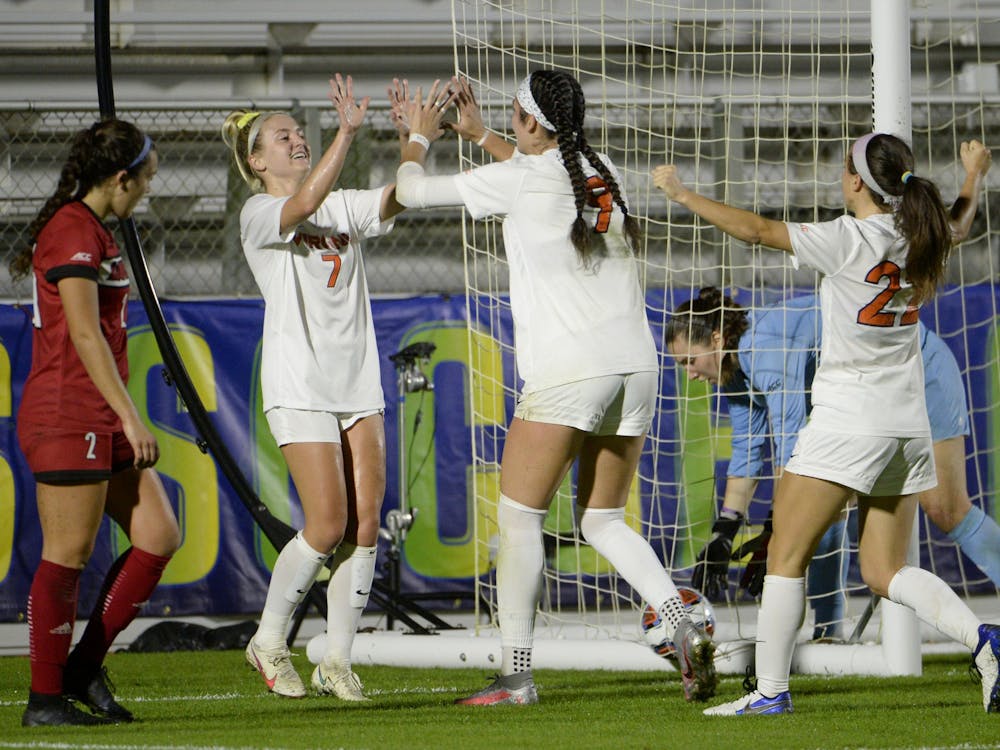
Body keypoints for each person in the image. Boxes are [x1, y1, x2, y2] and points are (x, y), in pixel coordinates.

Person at [391, 71, 717, 705]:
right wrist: (484, 133)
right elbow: (539, 173)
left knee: (519, 520)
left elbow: (410, 191)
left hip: (571, 370)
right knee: (601, 518)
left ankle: (516, 675)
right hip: (636, 367)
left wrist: (417, 137)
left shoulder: (522, 177)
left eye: (514, 114)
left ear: (533, 123)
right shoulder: (600, 168)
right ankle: (679, 620)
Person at [653, 133, 1000, 715]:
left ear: (858, 182)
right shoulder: (920, 233)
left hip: (852, 416)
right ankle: (984, 640)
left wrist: (683, 193)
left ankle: (770, 692)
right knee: (885, 569)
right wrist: (972, 178)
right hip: (905, 422)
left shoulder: (846, 239)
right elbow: (959, 225)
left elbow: (759, 231)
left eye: (844, 168)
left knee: (786, 553)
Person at [669, 285, 1000, 638]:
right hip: (872, 394)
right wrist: (725, 530)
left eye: (690, 359)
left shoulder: (765, 346)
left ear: (717, 338)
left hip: (917, 367)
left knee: (945, 508)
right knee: (827, 502)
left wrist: (773, 530)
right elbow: (746, 451)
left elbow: (790, 446)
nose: (689, 373)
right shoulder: (734, 370)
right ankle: (828, 633)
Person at [221, 74, 405, 701]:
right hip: (299, 383)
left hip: (357, 380)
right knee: (326, 523)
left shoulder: (338, 202)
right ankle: (269, 641)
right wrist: (347, 132)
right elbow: (298, 209)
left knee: (365, 524)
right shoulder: (258, 213)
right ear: (257, 160)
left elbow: (395, 199)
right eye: (283, 136)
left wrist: (416, 143)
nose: (297, 140)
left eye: (301, 133)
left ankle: (336, 659)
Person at [8, 118, 181, 726]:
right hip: (67, 411)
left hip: (96, 411)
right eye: (146, 181)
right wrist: (132, 418)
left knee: (158, 535)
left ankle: (81, 668)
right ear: (120, 177)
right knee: (67, 556)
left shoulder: (93, 231)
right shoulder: (70, 232)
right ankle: (45, 700)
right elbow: (82, 332)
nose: (148, 191)